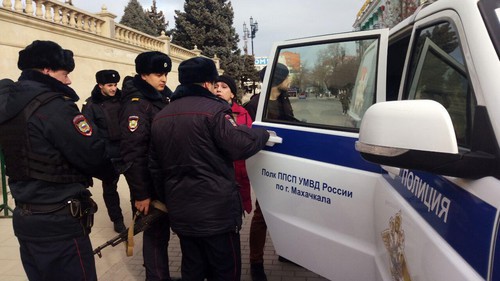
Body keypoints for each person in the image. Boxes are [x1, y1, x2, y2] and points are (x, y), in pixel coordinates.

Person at [0, 40, 113, 281]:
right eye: (65, 74)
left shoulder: (9, 105)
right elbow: (92, 154)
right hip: (59, 221)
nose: (69, 81)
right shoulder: (54, 107)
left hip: (25, 216)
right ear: (47, 70)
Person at [149, 57, 270, 281]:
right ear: (207, 84)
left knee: (193, 269)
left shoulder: (161, 116)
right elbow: (240, 145)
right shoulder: (214, 111)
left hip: (182, 212)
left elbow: (155, 169)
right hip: (217, 214)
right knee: (225, 270)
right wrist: (262, 134)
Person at [119, 51, 178, 281]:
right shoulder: (137, 105)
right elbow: (133, 154)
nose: (163, 78)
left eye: (165, 73)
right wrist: (141, 193)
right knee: (155, 236)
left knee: (163, 235)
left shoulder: (162, 98)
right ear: (143, 75)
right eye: (157, 74)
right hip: (150, 187)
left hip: (165, 181)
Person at [244, 64, 298, 281]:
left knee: (285, 209)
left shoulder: (283, 98)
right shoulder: (256, 104)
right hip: (265, 165)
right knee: (262, 214)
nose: (290, 79)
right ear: (278, 79)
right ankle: (256, 262)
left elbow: (291, 124)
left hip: (285, 164)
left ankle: (286, 250)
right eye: (287, 76)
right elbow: (250, 136)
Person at [82, 69, 126, 233]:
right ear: (100, 85)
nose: (114, 88)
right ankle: (117, 220)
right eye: (109, 85)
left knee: (137, 187)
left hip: (126, 152)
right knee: (110, 191)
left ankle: (139, 216)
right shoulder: (91, 105)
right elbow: (88, 134)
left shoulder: (124, 100)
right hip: (108, 155)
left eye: (115, 84)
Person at [215, 74, 253, 214]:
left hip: (238, 170)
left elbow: (249, 140)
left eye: (224, 87)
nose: (218, 90)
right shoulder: (209, 112)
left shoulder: (243, 113)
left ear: (232, 94)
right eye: (215, 86)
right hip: (218, 173)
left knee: (238, 211)